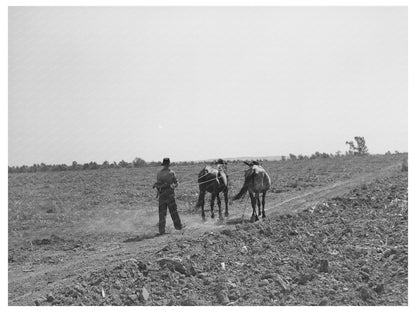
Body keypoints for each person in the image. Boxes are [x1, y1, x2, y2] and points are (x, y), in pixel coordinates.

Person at [153, 158, 183, 235]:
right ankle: (178, 227)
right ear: (169, 164)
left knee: (162, 213)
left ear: (163, 165)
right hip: (170, 195)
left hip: (162, 196)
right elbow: (176, 183)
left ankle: (161, 230)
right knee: (173, 212)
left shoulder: (159, 173)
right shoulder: (171, 172)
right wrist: (175, 185)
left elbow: (158, 184)